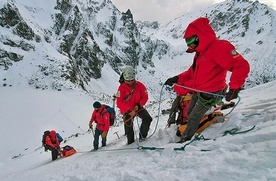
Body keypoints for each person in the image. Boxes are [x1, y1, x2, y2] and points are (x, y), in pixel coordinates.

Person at [164, 17, 250, 143]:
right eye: (187, 41)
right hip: (200, 91)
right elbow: (191, 72)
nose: (189, 44)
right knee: (189, 111)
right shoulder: (200, 53)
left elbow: (241, 65)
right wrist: (177, 78)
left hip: (211, 93)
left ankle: (185, 140)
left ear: (200, 36)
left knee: (193, 117)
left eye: (191, 39)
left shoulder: (218, 47)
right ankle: (206, 121)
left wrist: (235, 87)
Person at [116, 66, 153, 144]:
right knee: (128, 125)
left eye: (132, 80)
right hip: (128, 110)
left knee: (147, 118)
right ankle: (130, 142)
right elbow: (119, 102)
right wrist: (129, 110)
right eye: (128, 80)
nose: (130, 82)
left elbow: (145, 97)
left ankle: (142, 136)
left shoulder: (140, 85)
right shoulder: (121, 89)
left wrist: (139, 105)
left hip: (138, 107)